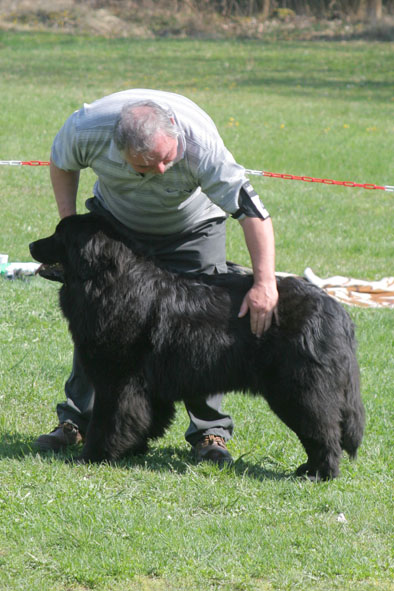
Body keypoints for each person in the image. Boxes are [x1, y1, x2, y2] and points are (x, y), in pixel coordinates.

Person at [35, 89, 278, 464]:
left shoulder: (201, 145)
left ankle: (209, 432)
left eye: (167, 159)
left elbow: (252, 211)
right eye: (146, 165)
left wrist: (264, 283)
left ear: (176, 136)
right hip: (117, 226)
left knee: (202, 330)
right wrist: (70, 232)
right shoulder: (87, 128)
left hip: (193, 227)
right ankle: (78, 422)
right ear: (119, 151)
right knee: (98, 326)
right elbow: (61, 162)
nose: (162, 170)